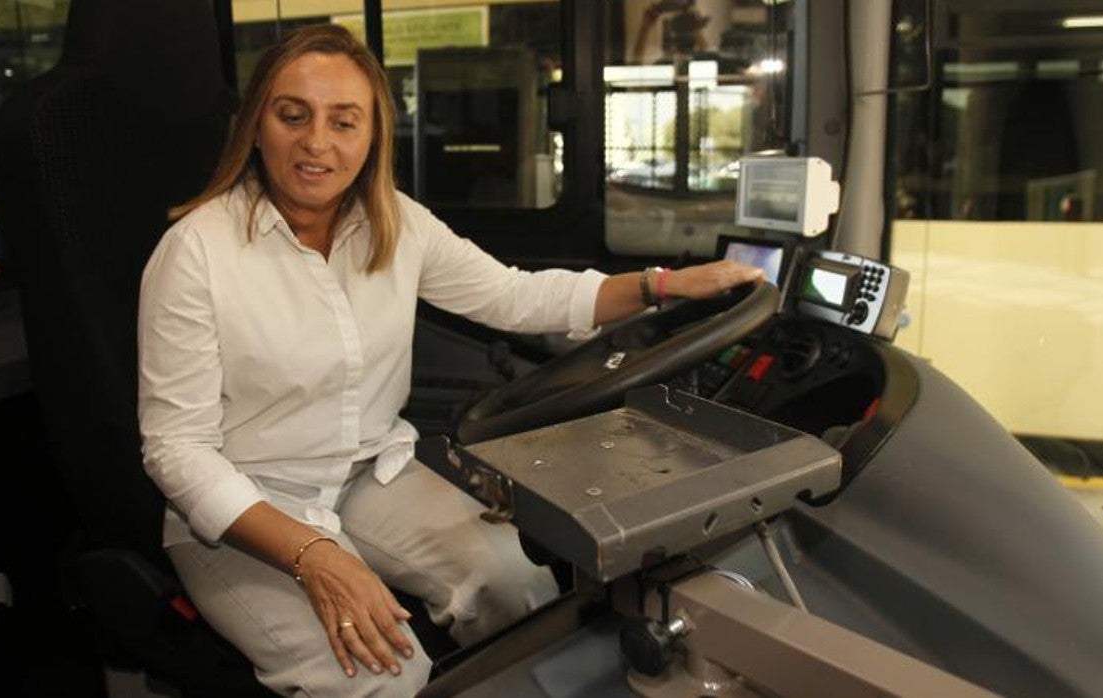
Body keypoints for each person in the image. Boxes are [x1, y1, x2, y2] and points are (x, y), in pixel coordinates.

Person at [137, 23, 763, 698]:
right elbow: (176, 449)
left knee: (519, 587)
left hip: (369, 475)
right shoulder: (197, 252)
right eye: (294, 116)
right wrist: (311, 553)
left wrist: (662, 285)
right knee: (386, 671)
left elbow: (517, 296)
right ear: (257, 124)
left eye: (344, 122)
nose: (317, 142)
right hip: (242, 514)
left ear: (373, 135)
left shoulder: (396, 223)